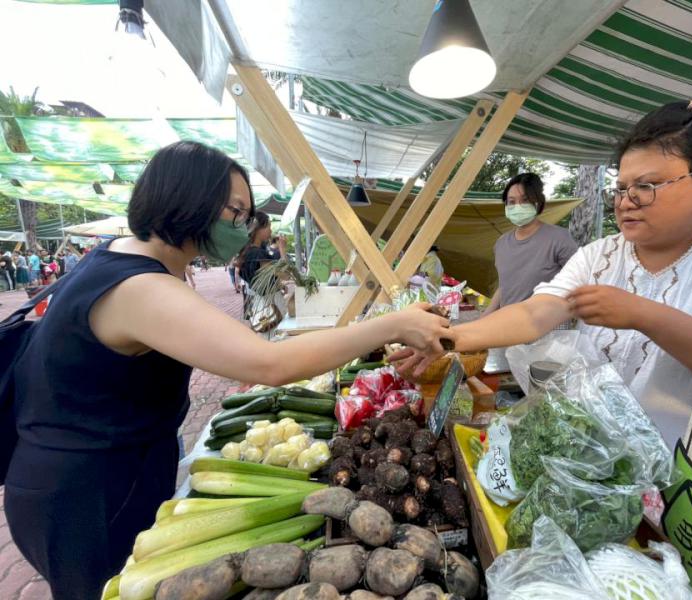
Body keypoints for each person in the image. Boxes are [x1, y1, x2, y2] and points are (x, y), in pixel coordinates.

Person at [6, 141, 449, 600]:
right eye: (236, 212)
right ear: (187, 198)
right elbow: (270, 363)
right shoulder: (139, 287)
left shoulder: (123, 259)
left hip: (101, 472)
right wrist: (392, 324)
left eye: (247, 214)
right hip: (86, 496)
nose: (244, 226)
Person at [394, 100, 692, 448]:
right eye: (620, 188)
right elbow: (537, 312)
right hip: (609, 465)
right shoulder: (603, 255)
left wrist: (646, 316)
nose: (626, 202)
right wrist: (450, 339)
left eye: (647, 186)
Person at [483, 172, 578, 316]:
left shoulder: (559, 238)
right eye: (511, 202)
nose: (518, 206)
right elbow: (504, 287)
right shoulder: (501, 243)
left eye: (525, 200)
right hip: (508, 323)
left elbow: (579, 280)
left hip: (547, 324)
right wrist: (485, 317)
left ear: (538, 202)